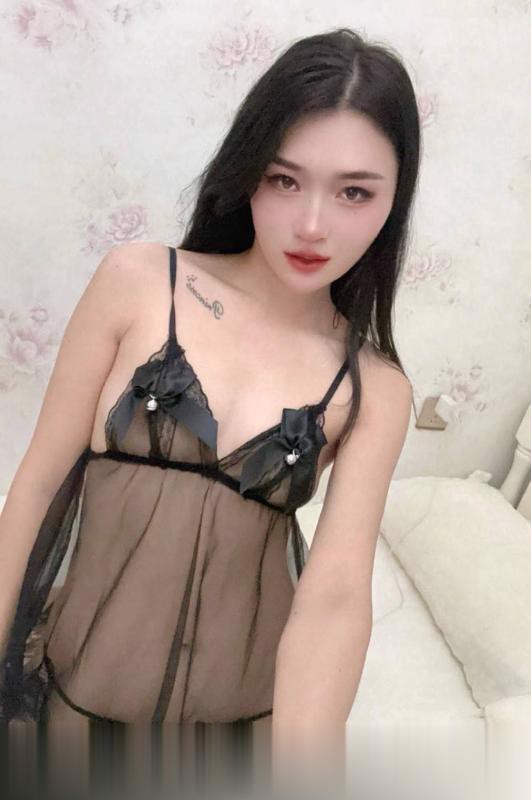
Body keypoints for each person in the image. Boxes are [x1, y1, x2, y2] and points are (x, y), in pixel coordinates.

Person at [0, 25, 418, 796]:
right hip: (74, 697)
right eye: (284, 179)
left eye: (354, 192)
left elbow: (333, 597)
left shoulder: (374, 389)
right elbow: (36, 488)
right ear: (247, 171)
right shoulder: (137, 281)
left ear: (393, 203)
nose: (312, 224)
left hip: (239, 728)